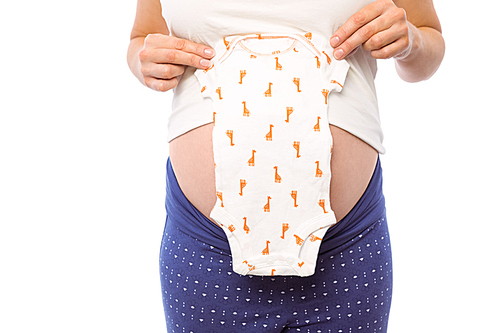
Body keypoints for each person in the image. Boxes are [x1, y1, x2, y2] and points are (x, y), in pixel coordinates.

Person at [127, 0, 445, 332]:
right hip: (207, 247)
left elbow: (427, 41)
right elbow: (142, 39)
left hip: (345, 246)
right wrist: (144, 62)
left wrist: (411, 42)